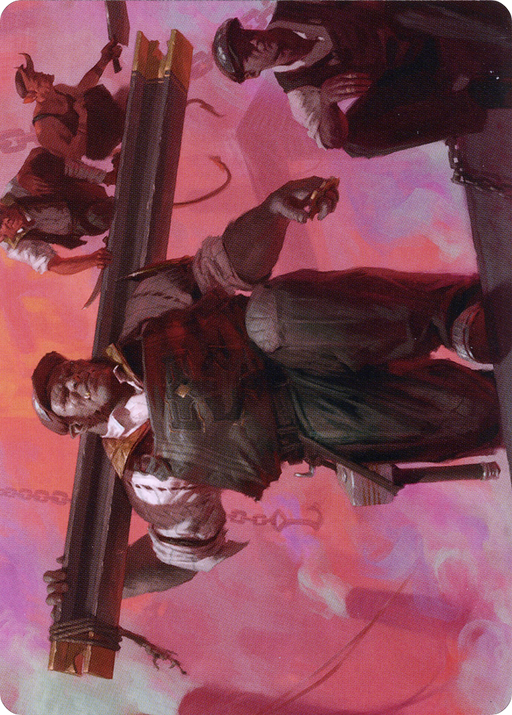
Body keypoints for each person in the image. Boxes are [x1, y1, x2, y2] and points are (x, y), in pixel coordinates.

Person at [38, 175, 500, 608]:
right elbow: (182, 554)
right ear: (78, 426)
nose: (72, 380)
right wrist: (101, 584)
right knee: (475, 412)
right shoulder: (148, 477)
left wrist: (271, 212)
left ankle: (451, 316)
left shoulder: (144, 319)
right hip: (302, 421)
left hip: (289, 334)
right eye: (64, 395)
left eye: (66, 370)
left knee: (268, 316)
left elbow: (223, 266)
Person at [212, 1, 512, 157]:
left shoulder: (295, 5)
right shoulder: (300, 91)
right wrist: (327, 103)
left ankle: (500, 22)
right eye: (247, 53)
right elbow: (332, 139)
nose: (255, 43)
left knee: (402, 9)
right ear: (253, 73)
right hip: (409, 73)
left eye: (247, 36)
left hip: (413, 20)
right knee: (356, 142)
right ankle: (478, 99)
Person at [0, 147, 115, 274]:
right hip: (83, 221)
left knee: (40, 164)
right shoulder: (17, 248)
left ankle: (109, 177)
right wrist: (93, 260)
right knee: (98, 216)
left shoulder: (14, 190)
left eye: (0, 213)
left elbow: (38, 152)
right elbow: (56, 265)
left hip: (81, 190)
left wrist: (24, 174)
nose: (6, 219)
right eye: (0, 224)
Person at [15, 40, 125, 165]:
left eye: (35, 72)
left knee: (95, 95)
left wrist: (104, 60)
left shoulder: (60, 89)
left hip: (111, 125)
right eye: (35, 77)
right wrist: (82, 119)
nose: (40, 73)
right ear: (32, 96)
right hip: (100, 145)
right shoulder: (43, 128)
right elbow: (73, 155)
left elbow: (83, 88)